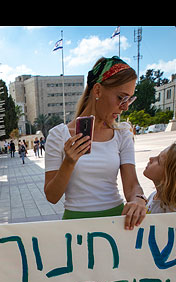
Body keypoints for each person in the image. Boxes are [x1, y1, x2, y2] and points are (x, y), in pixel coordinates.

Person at [44, 56, 147, 230]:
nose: (125, 107)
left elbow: (132, 185)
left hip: (117, 224)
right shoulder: (58, 135)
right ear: (97, 91)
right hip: (76, 226)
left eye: (129, 99)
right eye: (122, 98)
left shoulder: (122, 134)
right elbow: (52, 196)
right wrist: (69, 162)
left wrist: (138, 199)